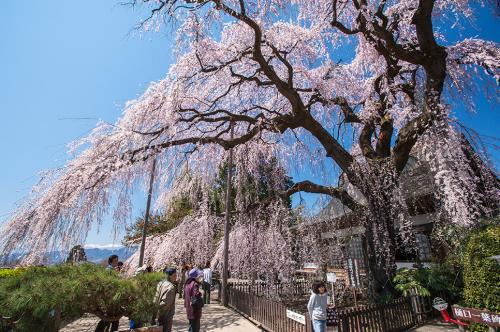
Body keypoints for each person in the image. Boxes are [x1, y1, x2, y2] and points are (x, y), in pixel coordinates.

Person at [95, 255, 120, 332]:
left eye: (117, 260)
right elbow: (107, 284)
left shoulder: (112, 270)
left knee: (114, 317)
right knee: (110, 317)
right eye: (115, 260)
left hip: (113, 297)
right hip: (109, 297)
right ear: (111, 261)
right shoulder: (108, 270)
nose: (117, 262)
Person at [155, 267, 178, 332]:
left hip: (159, 312)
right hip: (166, 314)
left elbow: (156, 297)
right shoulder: (170, 287)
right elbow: (166, 303)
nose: (176, 277)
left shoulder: (160, 283)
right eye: (174, 275)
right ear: (170, 276)